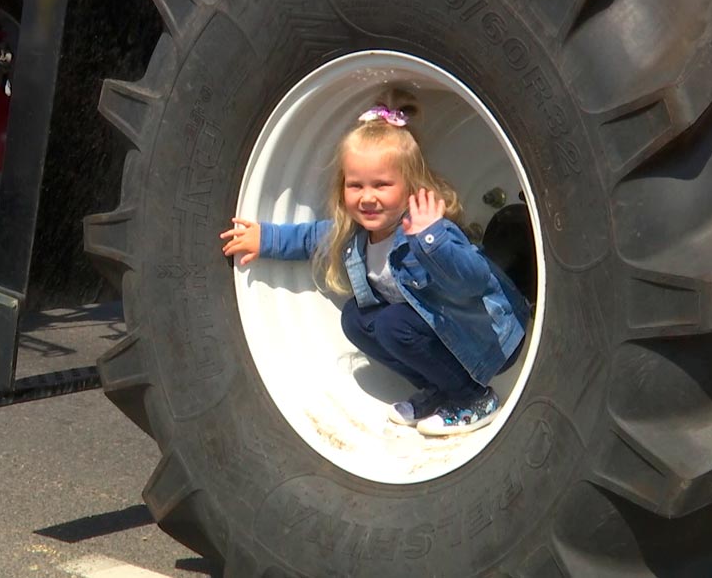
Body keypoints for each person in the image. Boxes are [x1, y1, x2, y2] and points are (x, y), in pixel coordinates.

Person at [220, 91, 530, 436]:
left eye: (382, 185)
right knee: (355, 319)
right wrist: (265, 239)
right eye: (356, 185)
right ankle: (440, 389)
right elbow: (310, 238)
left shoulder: (430, 232)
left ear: (410, 186)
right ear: (343, 189)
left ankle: (474, 397)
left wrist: (432, 241)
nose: (368, 197)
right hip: (444, 337)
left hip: (488, 338)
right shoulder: (354, 234)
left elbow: (473, 281)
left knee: (393, 324)